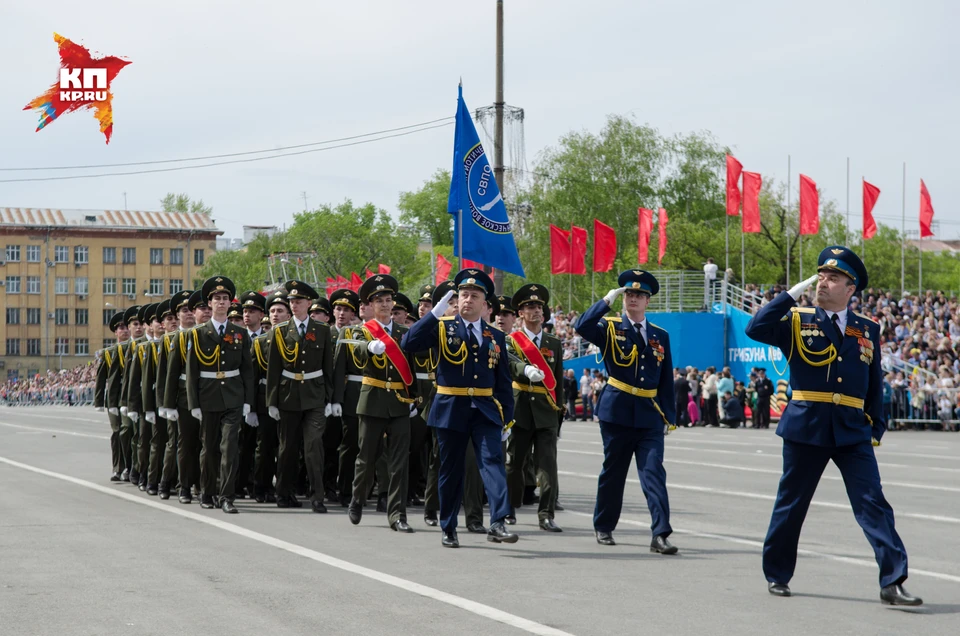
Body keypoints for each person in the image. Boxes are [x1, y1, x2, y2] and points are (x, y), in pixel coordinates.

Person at [745, 245, 921, 605]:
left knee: (873, 503)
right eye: (822, 276)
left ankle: (893, 581)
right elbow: (755, 327)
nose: (824, 283)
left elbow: (875, 380)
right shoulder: (797, 319)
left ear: (851, 288)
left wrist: (875, 426)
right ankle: (777, 573)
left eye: (834, 278)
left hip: (852, 429)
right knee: (792, 503)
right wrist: (790, 294)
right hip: (806, 425)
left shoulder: (866, 328)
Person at [401, 269, 518, 548]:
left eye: (474, 296)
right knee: (451, 470)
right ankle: (449, 526)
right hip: (451, 408)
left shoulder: (495, 337)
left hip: (485, 410)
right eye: (463, 294)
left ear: (484, 303)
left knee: (492, 463)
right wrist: (435, 312)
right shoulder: (443, 326)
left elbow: (503, 383)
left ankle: (498, 521)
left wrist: (507, 420)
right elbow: (409, 343)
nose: (467, 300)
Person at [574, 269, 678, 554]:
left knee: (653, 472)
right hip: (616, 412)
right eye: (629, 294)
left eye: (639, 295)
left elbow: (666, 378)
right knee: (614, 471)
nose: (633, 298)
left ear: (648, 301)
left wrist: (670, 416)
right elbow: (581, 326)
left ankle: (660, 534)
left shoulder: (660, 336)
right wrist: (606, 301)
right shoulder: (609, 327)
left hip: (649, 414)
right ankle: (604, 525)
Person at [346, 274, 418, 532]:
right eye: (380, 301)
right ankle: (357, 498)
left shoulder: (403, 333)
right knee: (366, 458)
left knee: (399, 461)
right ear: (370, 305)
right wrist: (369, 348)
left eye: (389, 300)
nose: (386, 305)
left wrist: (414, 399)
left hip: (399, 401)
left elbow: (411, 367)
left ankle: (397, 514)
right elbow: (355, 353)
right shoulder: (360, 331)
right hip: (373, 400)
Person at [186, 276, 255, 514]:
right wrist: (193, 402)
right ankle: (207, 492)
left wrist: (248, 401)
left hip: (234, 396)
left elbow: (247, 369)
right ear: (209, 303)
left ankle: (227, 496)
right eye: (217, 299)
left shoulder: (240, 333)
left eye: (226, 299)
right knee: (210, 448)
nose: (222, 302)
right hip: (208, 396)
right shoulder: (197, 334)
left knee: (230, 447)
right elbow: (192, 371)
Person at [266, 280, 335, 513]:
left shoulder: (323, 330)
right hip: (288, 395)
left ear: (309, 303)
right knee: (287, 447)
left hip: (315, 395)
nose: (294, 305)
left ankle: (317, 496)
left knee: (314, 445)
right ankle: (283, 493)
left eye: (298, 301)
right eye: (292, 301)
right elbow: (273, 368)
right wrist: (272, 401)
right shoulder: (280, 331)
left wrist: (330, 399)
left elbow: (329, 367)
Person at [504, 283, 564, 532]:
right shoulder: (510, 341)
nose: (536, 310)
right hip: (520, 410)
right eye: (530, 307)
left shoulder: (554, 342)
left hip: (546, 411)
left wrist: (558, 414)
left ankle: (546, 514)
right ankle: (508, 508)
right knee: (515, 464)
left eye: (539, 306)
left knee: (547, 464)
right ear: (520, 313)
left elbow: (558, 381)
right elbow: (508, 369)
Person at [330, 288, 363, 506]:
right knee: (340, 444)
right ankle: (338, 488)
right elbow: (336, 370)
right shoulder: (327, 333)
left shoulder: (358, 333)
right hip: (342, 396)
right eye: (338, 309)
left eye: (347, 310)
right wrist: (335, 399)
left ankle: (358, 490)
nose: (342, 313)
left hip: (360, 394)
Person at [94, 311, 130, 481]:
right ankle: (118, 467)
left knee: (129, 431)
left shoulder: (136, 347)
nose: (125, 330)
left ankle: (130, 467)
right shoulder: (108, 352)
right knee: (118, 431)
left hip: (132, 394)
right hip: (115, 397)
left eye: (127, 327)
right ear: (115, 332)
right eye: (121, 328)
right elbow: (101, 378)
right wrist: (99, 401)